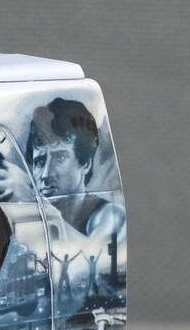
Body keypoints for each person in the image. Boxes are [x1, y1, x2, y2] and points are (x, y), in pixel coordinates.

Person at [24, 98, 126, 242]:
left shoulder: (110, 216)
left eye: (60, 157)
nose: (46, 174)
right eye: (39, 162)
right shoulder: (32, 217)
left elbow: (91, 254)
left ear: (85, 164)